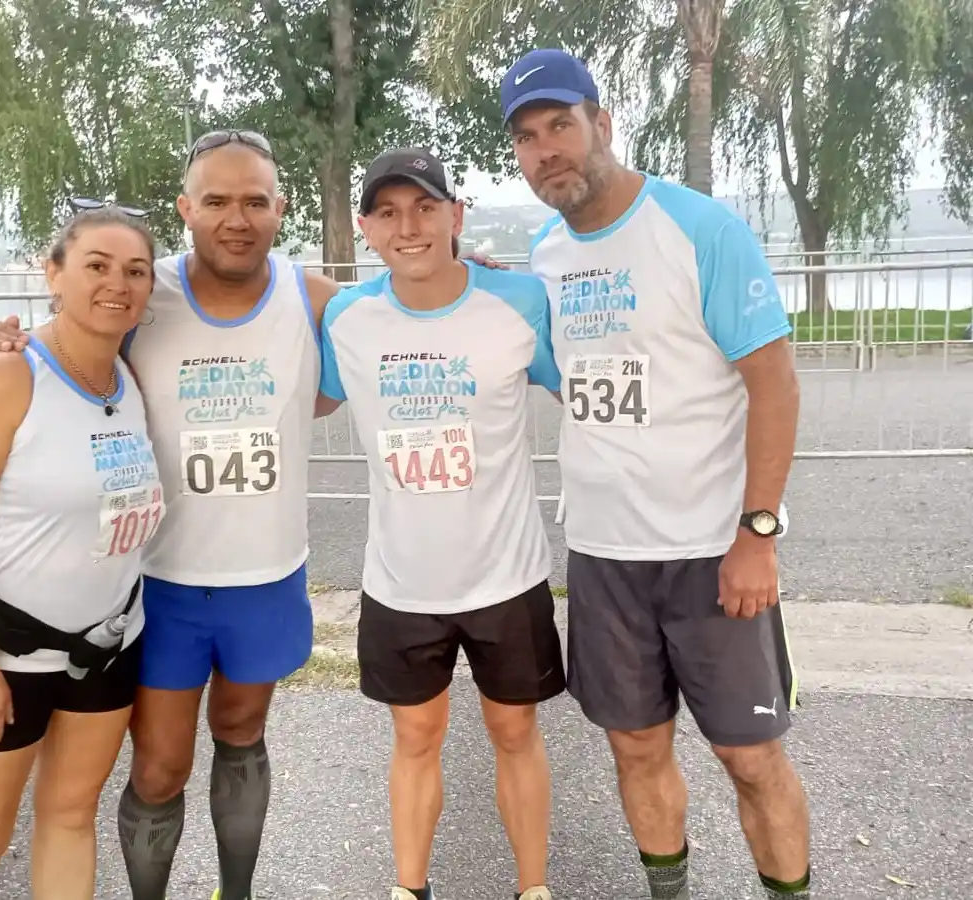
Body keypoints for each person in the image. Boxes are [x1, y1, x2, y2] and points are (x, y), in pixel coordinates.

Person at [0, 131, 340, 900]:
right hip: (158, 582)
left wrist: (484, 276)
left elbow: (417, 308)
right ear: (186, 208)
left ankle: (237, 892)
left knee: (241, 735)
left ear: (281, 208)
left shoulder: (316, 297)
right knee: (161, 765)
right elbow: (62, 353)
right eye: (218, 200)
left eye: (256, 201)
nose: (238, 218)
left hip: (265, 575)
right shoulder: (144, 290)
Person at [497, 48, 811, 900]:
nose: (546, 150)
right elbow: (567, 372)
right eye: (526, 138)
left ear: (602, 122)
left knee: (750, 758)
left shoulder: (700, 227)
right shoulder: (546, 254)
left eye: (560, 125)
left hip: (713, 552)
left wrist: (759, 532)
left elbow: (774, 382)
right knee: (635, 747)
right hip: (603, 556)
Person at [316, 147, 565, 900]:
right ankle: (408, 888)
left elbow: (593, 385)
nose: (409, 226)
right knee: (415, 737)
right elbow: (292, 380)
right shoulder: (347, 319)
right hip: (401, 583)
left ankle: (532, 888)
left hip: (507, 576)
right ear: (365, 228)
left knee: (515, 733)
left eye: (426, 207)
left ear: (456, 216)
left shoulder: (520, 302)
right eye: (388, 212)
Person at [0, 205, 162, 900]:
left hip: (105, 650)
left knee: (69, 818)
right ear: (53, 275)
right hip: (1, 659)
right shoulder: (3, 379)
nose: (118, 283)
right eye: (96, 266)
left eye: (136, 271)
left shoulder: (129, 380)